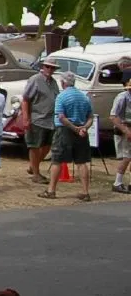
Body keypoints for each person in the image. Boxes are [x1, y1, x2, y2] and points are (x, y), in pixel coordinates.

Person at [44, 71, 93, 201]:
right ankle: (85, 191)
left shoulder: (62, 96)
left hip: (64, 131)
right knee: (82, 162)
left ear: (63, 82)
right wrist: (84, 128)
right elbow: (90, 117)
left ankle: (51, 190)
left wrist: (74, 128)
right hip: (82, 131)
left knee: (57, 160)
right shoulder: (84, 97)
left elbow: (61, 116)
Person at [17, 59, 59, 184]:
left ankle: (33, 166)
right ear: (43, 67)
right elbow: (25, 100)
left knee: (47, 146)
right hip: (37, 119)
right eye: (48, 67)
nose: (50, 70)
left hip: (50, 120)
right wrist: (26, 118)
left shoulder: (54, 82)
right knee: (35, 146)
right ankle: (36, 173)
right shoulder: (35, 80)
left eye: (52, 68)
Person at [112, 74, 131, 194]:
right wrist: (125, 130)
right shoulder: (122, 97)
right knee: (127, 157)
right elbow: (113, 116)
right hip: (125, 128)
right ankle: (117, 182)